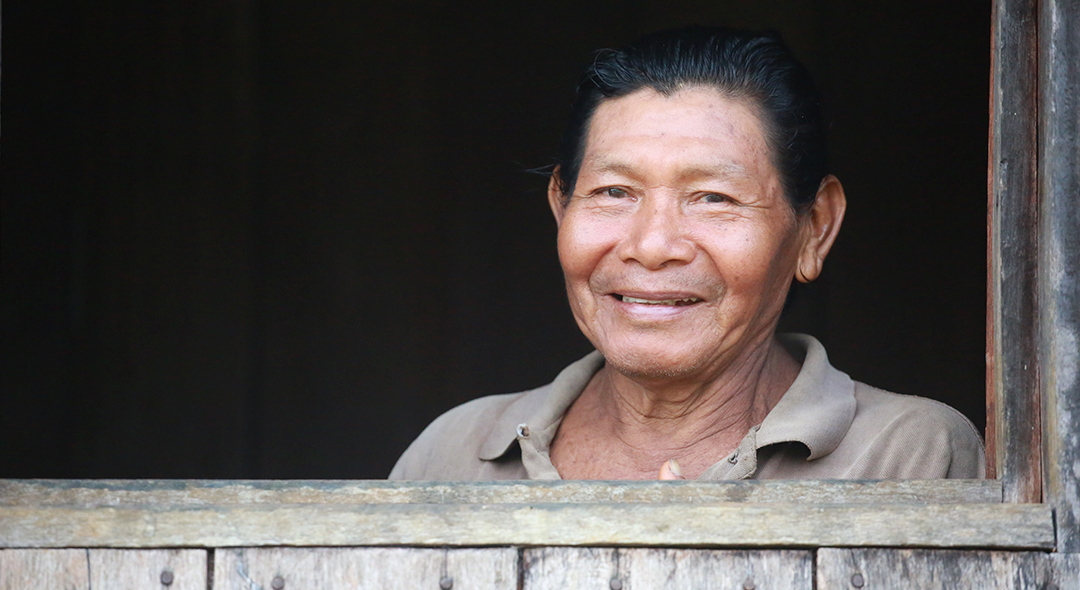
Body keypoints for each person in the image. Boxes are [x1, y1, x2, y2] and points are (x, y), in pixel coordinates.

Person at [390, 26, 985, 481]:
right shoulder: (457, 451)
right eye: (613, 192)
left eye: (713, 197)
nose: (651, 246)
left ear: (815, 228)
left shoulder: (905, 453)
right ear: (559, 206)